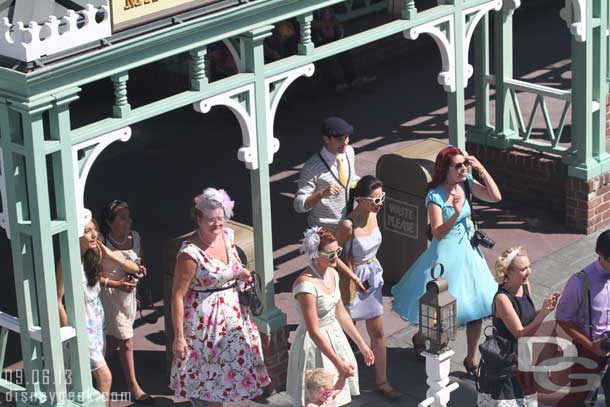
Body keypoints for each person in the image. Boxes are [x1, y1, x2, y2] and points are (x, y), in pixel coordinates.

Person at [391, 145, 502, 378]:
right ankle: (421, 337)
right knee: (438, 311)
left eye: (465, 164)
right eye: (458, 165)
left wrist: (480, 169)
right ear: (446, 169)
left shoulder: (467, 183)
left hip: (469, 255)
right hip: (445, 258)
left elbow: (495, 196)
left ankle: (471, 359)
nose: (463, 168)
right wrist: (455, 212)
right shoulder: (435, 196)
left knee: (477, 308)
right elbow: (438, 233)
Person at [170, 188, 270, 407]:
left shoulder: (227, 236)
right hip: (204, 327)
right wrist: (179, 337)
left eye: (221, 219)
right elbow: (177, 296)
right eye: (210, 220)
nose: (217, 224)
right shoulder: (190, 254)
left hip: (234, 319)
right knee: (211, 386)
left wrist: (241, 272)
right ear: (198, 219)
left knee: (225, 385)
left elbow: (232, 267)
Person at [56, 217, 141, 406]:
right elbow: (57, 301)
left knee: (88, 379)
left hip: (96, 323)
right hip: (79, 327)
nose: (94, 234)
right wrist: (69, 334)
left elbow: (133, 267)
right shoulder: (67, 262)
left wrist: (108, 253)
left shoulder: (94, 254)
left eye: (94, 229)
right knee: (105, 377)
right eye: (87, 231)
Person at [286, 227, 375, 407]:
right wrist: (339, 363)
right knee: (319, 400)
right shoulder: (306, 286)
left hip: (335, 336)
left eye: (338, 251)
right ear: (315, 255)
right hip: (315, 346)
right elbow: (314, 331)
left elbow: (340, 312)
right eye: (330, 254)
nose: (336, 257)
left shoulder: (332, 273)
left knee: (338, 398)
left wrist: (361, 344)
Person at [335, 175, 400, 400]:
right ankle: (340, 383)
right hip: (353, 281)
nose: (380, 203)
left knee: (378, 332)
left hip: (372, 277)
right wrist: (353, 277)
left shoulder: (373, 214)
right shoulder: (347, 225)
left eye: (382, 198)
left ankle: (382, 381)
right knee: (345, 335)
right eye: (375, 200)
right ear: (360, 200)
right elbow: (332, 256)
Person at [477, 247, 560, 407]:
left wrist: (544, 309)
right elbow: (520, 332)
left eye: (528, 267)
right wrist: (543, 314)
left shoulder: (525, 286)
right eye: (523, 269)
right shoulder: (502, 299)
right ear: (507, 273)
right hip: (507, 363)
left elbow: (526, 318)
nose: (529, 272)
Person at [98, 200, 151, 403]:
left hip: (128, 298)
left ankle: (97, 375)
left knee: (111, 342)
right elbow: (91, 276)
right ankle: (134, 387)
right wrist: (116, 284)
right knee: (127, 340)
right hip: (109, 297)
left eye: (129, 216)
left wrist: (139, 273)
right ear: (110, 223)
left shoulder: (135, 237)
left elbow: (138, 263)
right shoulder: (102, 241)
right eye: (123, 217)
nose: (129, 221)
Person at [555, 230, 610, 406]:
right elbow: (562, 317)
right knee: (577, 397)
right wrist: (591, 346)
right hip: (589, 349)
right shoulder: (580, 282)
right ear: (600, 254)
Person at [294, 116, 359, 230]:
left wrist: (366, 183)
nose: (345, 142)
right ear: (326, 139)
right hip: (324, 231)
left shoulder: (349, 151)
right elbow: (299, 205)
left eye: (347, 137)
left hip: (348, 224)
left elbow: (351, 177)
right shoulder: (311, 168)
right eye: (340, 139)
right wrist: (322, 193)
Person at [311, 7, 376, 92]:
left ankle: (353, 79)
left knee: (342, 46)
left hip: (328, 30)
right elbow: (311, 24)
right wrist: (329, 24)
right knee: (321, 54)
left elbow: (333, 16)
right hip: (313, 36)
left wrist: (335, 25)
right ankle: (333, 85)